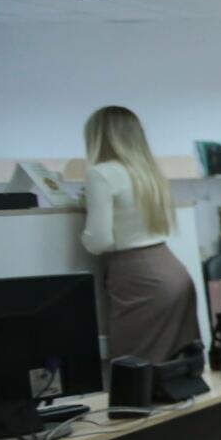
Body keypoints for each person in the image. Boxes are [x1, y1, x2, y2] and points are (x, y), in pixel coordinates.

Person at [80, 105, 202, 364]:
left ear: (97, 136)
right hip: (171, 269)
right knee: (175, 366)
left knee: (132, 369)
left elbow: (99, 241)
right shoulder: (148, 173)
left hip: (136, 276)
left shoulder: (100, 174)